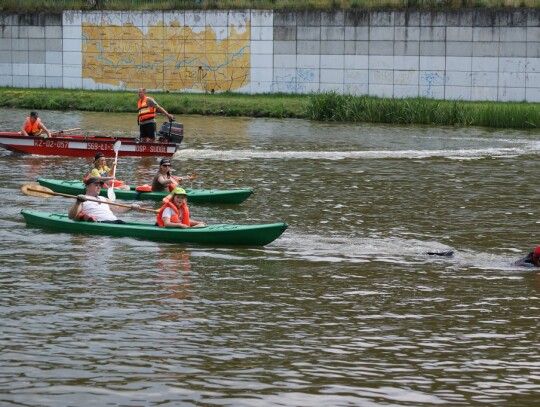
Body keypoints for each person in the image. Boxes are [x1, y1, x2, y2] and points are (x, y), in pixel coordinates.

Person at [68, 177, 140, 223]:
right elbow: (71, 216)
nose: (99, 187)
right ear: (88, 187)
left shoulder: (104, 198)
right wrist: (78, 202)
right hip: (102, 222)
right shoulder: (83, 198)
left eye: (100, 185)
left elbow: (118, 209)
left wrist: (131, 207)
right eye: (96, 185)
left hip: (115, 221)